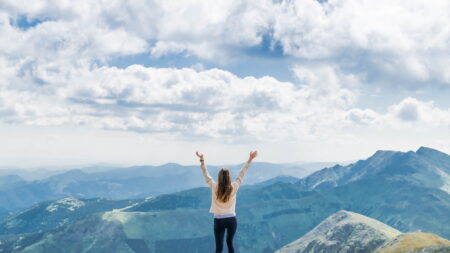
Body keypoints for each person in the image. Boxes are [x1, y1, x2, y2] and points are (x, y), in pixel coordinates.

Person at [195, 150, 258, 253]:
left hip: (218, 220)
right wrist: (250, 159)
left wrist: (202, 160)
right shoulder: (234, 187)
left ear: (219, 177)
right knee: (229, 243)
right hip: (231, 220)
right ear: (229, 177)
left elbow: (206, 174)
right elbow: (242, 174)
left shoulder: (214, 187)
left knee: (219, 248)